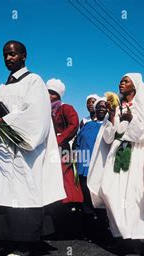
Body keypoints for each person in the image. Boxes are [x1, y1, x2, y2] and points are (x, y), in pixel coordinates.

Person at [0, 40, 65, 256]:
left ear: (24, 56)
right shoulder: (2, 88)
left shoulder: (34, 81)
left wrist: (5, 121)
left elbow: (36, 116)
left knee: (22, 193)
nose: (8, 58)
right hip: (0, 149)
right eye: (5, 54)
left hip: (22, 151)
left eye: (13, 54)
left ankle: (25, 244)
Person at [88, 73, 144, 252]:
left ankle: (131, 237)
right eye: (121, 80)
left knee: (133, 196)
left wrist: (131, 119)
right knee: (109, 190)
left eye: (126, 81)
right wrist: (112, 116)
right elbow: (107, 137)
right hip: (117, 153)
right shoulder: (116, 106)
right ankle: (119, 232)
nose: (121, 83)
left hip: (138, 156)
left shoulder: (143, 107)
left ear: (135, 86)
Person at [45, 78, 83, 239]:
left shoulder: (65, 108)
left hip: (61, 151)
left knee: (64, 182)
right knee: (49, 181)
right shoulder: (43, 110)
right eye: (47, 92)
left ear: (58, 96)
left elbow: (74, 125)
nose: (48, 95)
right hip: (46, 150)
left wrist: (59, 138)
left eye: (52, 93)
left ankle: (69, 224)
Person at [75, 97, 108, 241]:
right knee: (87, 201)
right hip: (84, 168)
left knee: (100, 201)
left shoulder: (110, 127)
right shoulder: (87, 125)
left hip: (101, 169)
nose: (101, 108)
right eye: (98, 106)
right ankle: (89, 231)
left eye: (104, 106)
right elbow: (78, 143)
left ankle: (103, 231)